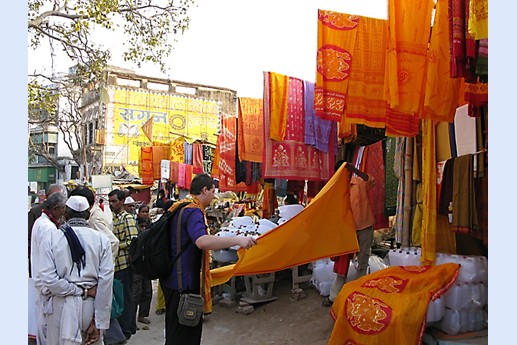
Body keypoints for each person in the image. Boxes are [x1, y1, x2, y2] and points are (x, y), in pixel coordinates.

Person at [161, 173, 257, 345]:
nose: (214, 196)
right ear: (204, 190)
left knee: (175, 330)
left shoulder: (177, 207)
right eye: (213, 191)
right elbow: (202, 241)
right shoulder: (193, 210)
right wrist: (238, 239)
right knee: (185, 334)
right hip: (184, 283)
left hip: (171, 279)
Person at [38, 195, 114, 345]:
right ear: (88, 214)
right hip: (90, 307)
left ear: (65, 212)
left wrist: (75, 290)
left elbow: (48, 279)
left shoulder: (52, 238)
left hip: (61, 307)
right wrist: (98, 322)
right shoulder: (101, 240)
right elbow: (106, 282)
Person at [322, 160, 376, 307]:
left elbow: (371, 180)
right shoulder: (335, 189)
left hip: (364, 227)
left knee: (362, 263)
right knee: (341, 266)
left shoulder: (359, 181)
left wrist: (355, 169)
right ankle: (334, 296)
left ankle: (359, 294)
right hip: (346, 231)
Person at [30, 190, 68, 345]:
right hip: (46, 283)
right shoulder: (47, 227)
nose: (64, 211)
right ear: (56, 208)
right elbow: (51, 258)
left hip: (42, 280)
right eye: (63, 208)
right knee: (48, 328)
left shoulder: (42, 222)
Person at [108, 189, 139, 341]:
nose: (111, 204)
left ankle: (126, 330)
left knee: (126, 298)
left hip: (124, 264)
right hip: (115, 264)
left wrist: (116, 245)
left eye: (114, 201)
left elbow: (133, 240)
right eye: (110, 201)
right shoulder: (112, 218)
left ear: (121, 201)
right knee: (120, 297)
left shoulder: (127, 218)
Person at [28, 183, 68, 277]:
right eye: (62, 208)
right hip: (45, 275)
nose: (64, 211)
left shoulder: (55, 220)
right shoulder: (45, 225)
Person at [132, 215, 153, 326]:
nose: (143, 229)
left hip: (146, 269)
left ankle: (142, 315)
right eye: (141, 226)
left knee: (147, 292)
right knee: (136, 294)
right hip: (137, 270)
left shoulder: (149, 239)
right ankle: (132, 319)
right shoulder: (135, 239)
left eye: (145, 226)